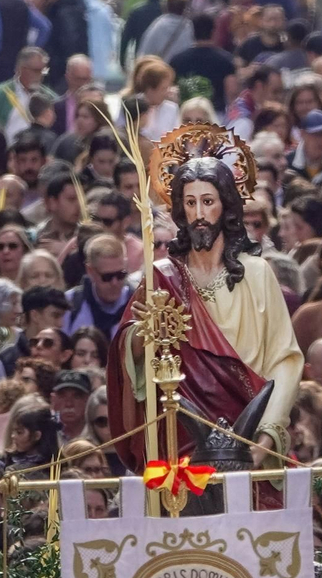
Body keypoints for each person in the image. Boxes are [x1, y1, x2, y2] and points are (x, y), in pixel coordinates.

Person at [106, 143, 302, 475]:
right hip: (180, 445)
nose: (199, 214)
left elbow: (284, 362)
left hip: (248, 436)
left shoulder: (257, 274)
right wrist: (145, 336)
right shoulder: (161, 277)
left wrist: (264, 439)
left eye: (208, 202)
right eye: (190, 203)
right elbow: (128, 350)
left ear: (225, 207)